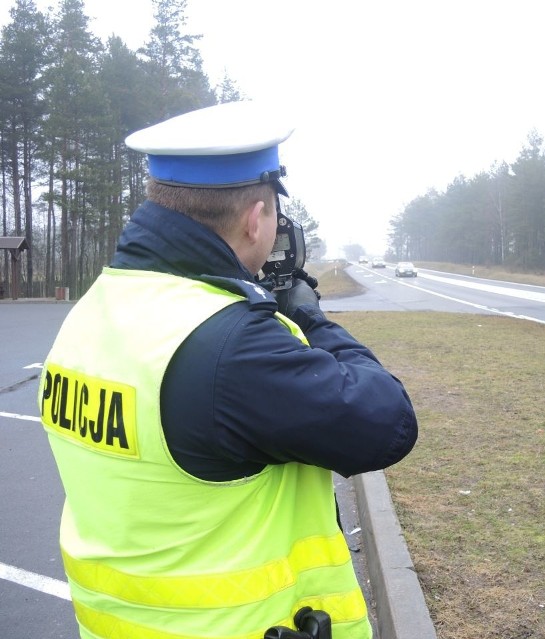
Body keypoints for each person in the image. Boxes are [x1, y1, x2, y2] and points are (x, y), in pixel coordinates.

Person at [38, 101, 418, 639]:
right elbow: (387, 425)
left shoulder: (98, 307)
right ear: (256, 218)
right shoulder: (232, 345)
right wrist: (311, 319)